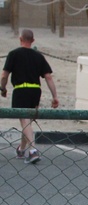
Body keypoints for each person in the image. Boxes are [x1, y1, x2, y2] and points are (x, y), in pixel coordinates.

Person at [1, 29, 59, 164]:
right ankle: (21, 149)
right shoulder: (38, 56)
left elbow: (4, 75)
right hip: (35, 91)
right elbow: (48, 77)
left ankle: (33, 150)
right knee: (27, 122)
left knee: (24, 120)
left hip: (21, 90)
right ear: (32, 41)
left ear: (20, 39)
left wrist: (2, 88)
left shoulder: (13, 54)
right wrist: (54, 96)